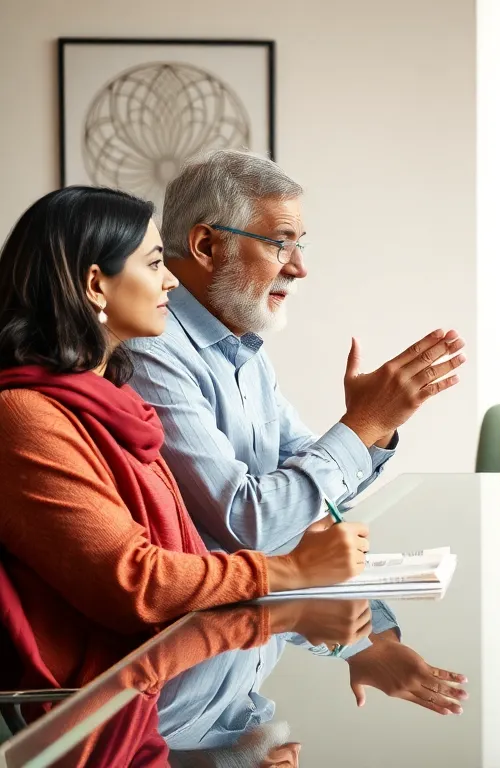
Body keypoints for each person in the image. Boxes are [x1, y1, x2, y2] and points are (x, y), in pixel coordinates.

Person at [122, 149, 463, 711]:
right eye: (281, 242)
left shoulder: (244, 346)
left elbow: (306, 487)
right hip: (180, 685)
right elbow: (250, 520)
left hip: (245, 645)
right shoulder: (151, 351)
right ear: (207, 246)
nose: (299, 266)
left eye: (301, 244)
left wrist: (373, 431)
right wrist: (362, 425)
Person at [0, 187, 368, 697]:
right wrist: (289, 570)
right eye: (154, 264)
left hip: (159, 667)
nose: (170, 278)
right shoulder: (25, 417)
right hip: (90, 701)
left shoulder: (109, 402)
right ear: (95, 285)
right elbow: (134, 582)